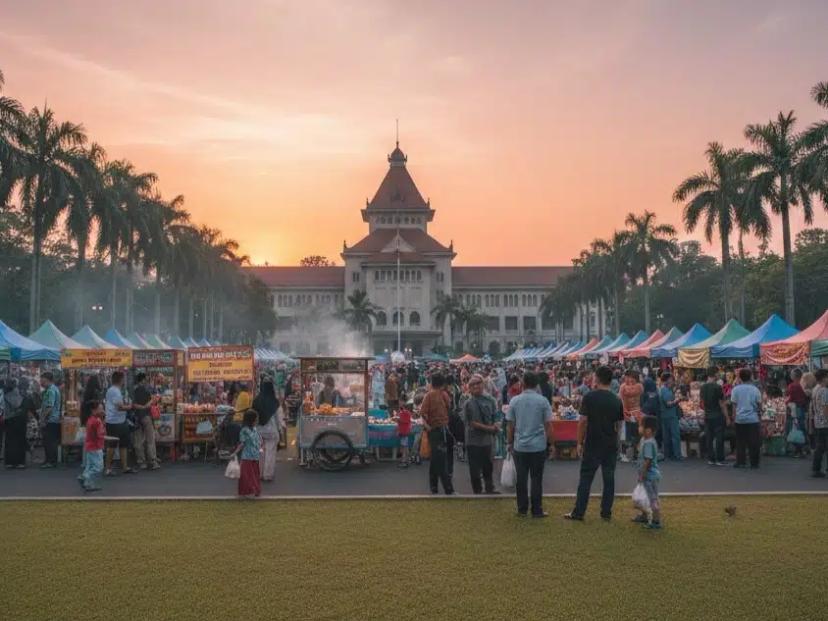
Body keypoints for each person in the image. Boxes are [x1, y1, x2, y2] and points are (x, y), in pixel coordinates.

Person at [565, 365, 623, 522]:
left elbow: (583, 421)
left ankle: (579, 511)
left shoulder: (589, 397)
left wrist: (579, 442)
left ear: (597, 378)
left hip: (592, 442)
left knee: (586, 478)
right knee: (609, 479)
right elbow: (618, 425)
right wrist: (617, 441)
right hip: (610, 443)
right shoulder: (616, 400)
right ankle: (606, 512)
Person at [507, 372, 553, 518]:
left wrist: (509, 442)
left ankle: (522, 509)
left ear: (523, 383)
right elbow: (548, 425)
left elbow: (510, 425)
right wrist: (551, 444)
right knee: (536, 479)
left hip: (520, 445)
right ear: (536, 384)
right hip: (538, 446)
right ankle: (537, 510)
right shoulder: (543, 401)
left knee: (521, 479)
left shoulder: (514, 401)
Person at [463, 374, 500, 494]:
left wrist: (497, 425)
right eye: (472, 384)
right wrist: (490, 429)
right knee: (474, 469)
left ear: (483, 384)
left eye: (478, 383)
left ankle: (490, 488)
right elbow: (472, 423)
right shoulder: (467, 403)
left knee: (488, 467)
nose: (475, 386)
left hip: (487, 441)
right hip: (473, 441)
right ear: (469, 387)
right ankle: (477, 492)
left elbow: (496, 416)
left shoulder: (491, 400)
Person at [420, 373, 454, 495]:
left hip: (435, 430)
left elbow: (422, 414)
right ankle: (448, 488)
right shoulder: (443, 394)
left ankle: (434, 486)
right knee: (441, 460)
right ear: (442, 384)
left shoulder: (429, 395)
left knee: (436, 459)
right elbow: (449, 408)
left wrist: (427, 427)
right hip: (441, 429)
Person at [729, 367, 763, 469]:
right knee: (754, 442)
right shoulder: (755, 390)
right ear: (751, 377)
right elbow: (759, 405)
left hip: (740, 419)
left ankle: (741, 462)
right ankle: (754, 463)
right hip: (753, 419)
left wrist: (733, 417)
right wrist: (759, 415)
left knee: (740, 442)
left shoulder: (735, 389)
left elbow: (734, 406)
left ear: (740, 377)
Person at [104, 371, 135, 476]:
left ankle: (124, 467)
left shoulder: (112, 390)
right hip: (115, 422)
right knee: (113, 445)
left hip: (119, 421)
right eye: (123, 378)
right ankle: (108, 469)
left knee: (123, 444)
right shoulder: (115, 391)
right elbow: (120, 407)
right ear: (121, 380)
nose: (124, 381)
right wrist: (130, 406)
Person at [634, 415, 662, 529]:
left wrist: (642, 474)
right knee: (645, 496)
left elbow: (648, 460)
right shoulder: (645, 440)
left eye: (641, 426)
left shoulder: (649, 443)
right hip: (648, 475)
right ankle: (644, 515)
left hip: (649, 476)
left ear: (648, 430)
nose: (639, 428)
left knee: (652, 498)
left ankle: (656, 521)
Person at [252, 378, 281, 482]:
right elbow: (278, 418)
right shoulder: (274, 402)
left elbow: (253, 417)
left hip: (258, 430)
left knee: (260, 452)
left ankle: (259, 473)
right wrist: (280, 430)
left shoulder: (256, 401)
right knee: (270, 452)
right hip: (271, 431)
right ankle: (268, 474)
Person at [131, 373, 160, 471]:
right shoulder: (146, 390)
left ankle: (141, 462)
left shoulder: (133, 390)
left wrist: (140, 407)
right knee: (150, 440)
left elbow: (133, 404)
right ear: (143, 380)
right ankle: (153, 461)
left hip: (136, 417)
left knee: (138, 440)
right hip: (146, 416)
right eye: (146, 379)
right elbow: (152, 401)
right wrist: (146, 405)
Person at [700, 366, 728, 466]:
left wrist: (705, 413)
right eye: (718, 373)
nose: (719, 375)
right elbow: (722, 403)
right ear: (715, 374)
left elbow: (702, 403)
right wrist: (727, 417)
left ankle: (711, 458)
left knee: (709, 438)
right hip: (717, 415)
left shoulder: (703, 387)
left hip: (707, 415)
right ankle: (720, 459)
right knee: (719, 438)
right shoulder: (717, 387)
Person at [232, 409, 262, 498]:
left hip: (248, 457)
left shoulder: (245, 430)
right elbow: (243, 444)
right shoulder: (253, 430)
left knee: (247, 476)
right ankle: (255, 490)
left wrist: (234, 453)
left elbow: (242, 444)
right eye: (256, 419)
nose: (257, 421)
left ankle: (248, 491)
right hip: (253, 456)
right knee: (254, 475)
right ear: (251, 420)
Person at [80, 400, 106, 492]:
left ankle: (88, 484)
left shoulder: (90, 419)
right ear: (94, 410)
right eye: (100, 409)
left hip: (89, 446)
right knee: (98, 467)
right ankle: (85, 477)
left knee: (89, 466)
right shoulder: (97, 421)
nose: (102, 411)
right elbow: (100, 434)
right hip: (96, 447)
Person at [38, 371, 62, 468]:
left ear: (48, 380)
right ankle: (48, 460)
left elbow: (49, 407)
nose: (42, 383)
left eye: (43, 381)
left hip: (51, 420)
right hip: (52, 419)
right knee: (48, 441)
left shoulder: (51, 390)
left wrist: (42, 418)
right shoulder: (51, 389)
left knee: (50, 442)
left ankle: (51, 461)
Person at [619, 371, 643, 462]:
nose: (627, 379)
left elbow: (626, 395)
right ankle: (625, 454)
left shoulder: (637, 386)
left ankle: (634, 454)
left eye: (629, 377)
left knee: (635, 434)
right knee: (627, 435)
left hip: (634, 413)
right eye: (626, 377)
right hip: (629, 413)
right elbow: (621, 399)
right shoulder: (625, 387)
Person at [2, 379, 27, 469]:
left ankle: (10, 462)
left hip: (9, 419)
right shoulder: (22, 394)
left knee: (10, 441)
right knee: (20, 441)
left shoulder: (5, 395)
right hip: (21, 419)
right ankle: (20, 462)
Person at [786, 369, 810, 457]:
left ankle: (798, 450)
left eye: (791, 374)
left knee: (796, 428)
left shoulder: (792, 386)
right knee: (801, 428)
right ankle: (805, 448)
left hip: (795, 409)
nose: (790, 376)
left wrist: (785, 402)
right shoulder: (803, 385)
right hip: (802, 408)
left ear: (794, 376)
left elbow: (790, 397)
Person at [658, 374, 682, 461]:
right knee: (675, 436)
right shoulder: (665, 390)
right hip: (670, 416)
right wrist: (677, 400)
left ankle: (669, 455)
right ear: (668, 380)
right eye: (672, 379)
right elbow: (668, 404)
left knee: (667, 436)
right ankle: (676, 455)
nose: (673, 381)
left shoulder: (664, 389)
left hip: (665, 415)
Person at [809, 369, 828, 477]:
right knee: (822, 446)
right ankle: (817, 469)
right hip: (825, 422)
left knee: (820, 446)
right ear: (824, 378)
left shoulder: (816, 389)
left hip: (817, 421)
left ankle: (816, 468)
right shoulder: (824, 390)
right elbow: (826, 408)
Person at [395, 400, 413, 468]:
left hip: (404, 431)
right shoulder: (406, 413)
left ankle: (404, 461)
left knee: (404, 446)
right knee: (405, 446)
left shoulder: (404, 413)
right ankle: (407, 460)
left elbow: (403, 421)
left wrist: (397, 419)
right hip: (405, 431)